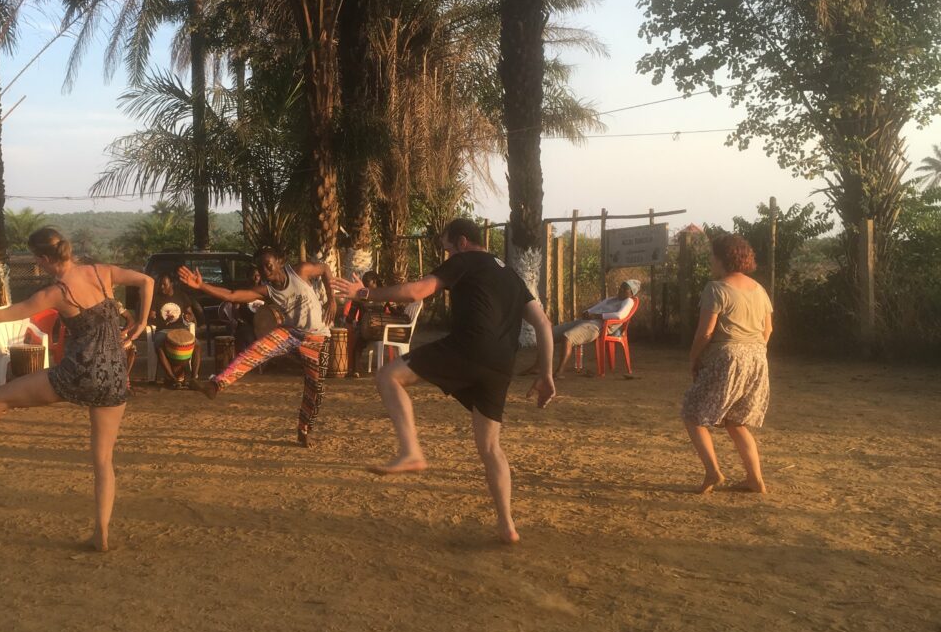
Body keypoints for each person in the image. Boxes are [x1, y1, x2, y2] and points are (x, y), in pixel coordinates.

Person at [0, 227, 153, 552]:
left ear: (43, 259)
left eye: (37, 260)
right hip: (114, 375)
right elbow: (147, 282)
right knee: (103, 460)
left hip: (78, 373)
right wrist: (140, 323)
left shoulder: (57, 292)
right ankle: (102, 533)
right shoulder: (102, 271)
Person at [332, 218, 555, 544]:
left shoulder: (465, 261)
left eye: (447, 247)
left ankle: (411, 451)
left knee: (388, 375)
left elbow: (417, 292)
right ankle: (507, 525)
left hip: (470, 347)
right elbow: (544, 324)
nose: (447, 254)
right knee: (491, 447)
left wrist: (365, 292)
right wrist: (546, 373)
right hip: (501, 365)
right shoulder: (510, 274)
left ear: (462, 241)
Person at [177, 247, 337, 447]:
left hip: (318, 337)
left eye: (268, 265)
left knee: (315, 389)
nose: (265, 271)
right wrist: (201, 286)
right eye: (261, 268)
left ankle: (304, 430)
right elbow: (232, 295)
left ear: (280, 261)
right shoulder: (266, 291)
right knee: (256, 350)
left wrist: (331, 299)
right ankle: (215, 385)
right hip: (291, 332)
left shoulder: (301, 271)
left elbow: (324, 269)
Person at [683, 234, 773, 495]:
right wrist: (754, 352)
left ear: (722, 258)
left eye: (713, 256)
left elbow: (706, 333)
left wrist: (694, 358)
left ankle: (713, 472)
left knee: (692, 413)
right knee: (736, 421)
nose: (711, 260)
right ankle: (755, 479)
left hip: (728, 357)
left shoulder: (716, 288)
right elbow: (769, 330)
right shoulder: (759, 289)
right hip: (757, 357)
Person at [532, 279, 639, 377]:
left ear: (631, 293)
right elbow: (594, 308)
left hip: (597, 326)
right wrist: (587, 312)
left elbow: (619, 315)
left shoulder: (628, 301)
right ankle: (537, 366)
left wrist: (597, 316)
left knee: (567, 337)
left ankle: (559, 371)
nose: (621, 290)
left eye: (625, 289)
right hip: (586, 321)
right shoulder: (611, 299)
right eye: (621, 287)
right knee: (548, 333)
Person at [150, 272, 202, 387]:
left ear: (172, 284)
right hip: (163, 330)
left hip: (180, 330)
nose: (162, 287)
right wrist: (152, 316)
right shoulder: (156, 298)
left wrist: (189, 317)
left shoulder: (181, 296)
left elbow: (191, 314)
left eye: (164, 284)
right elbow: (151, 315)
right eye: (160, 285)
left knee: (197, 345)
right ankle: (173, 378)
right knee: (159, 347)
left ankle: (194, 378)